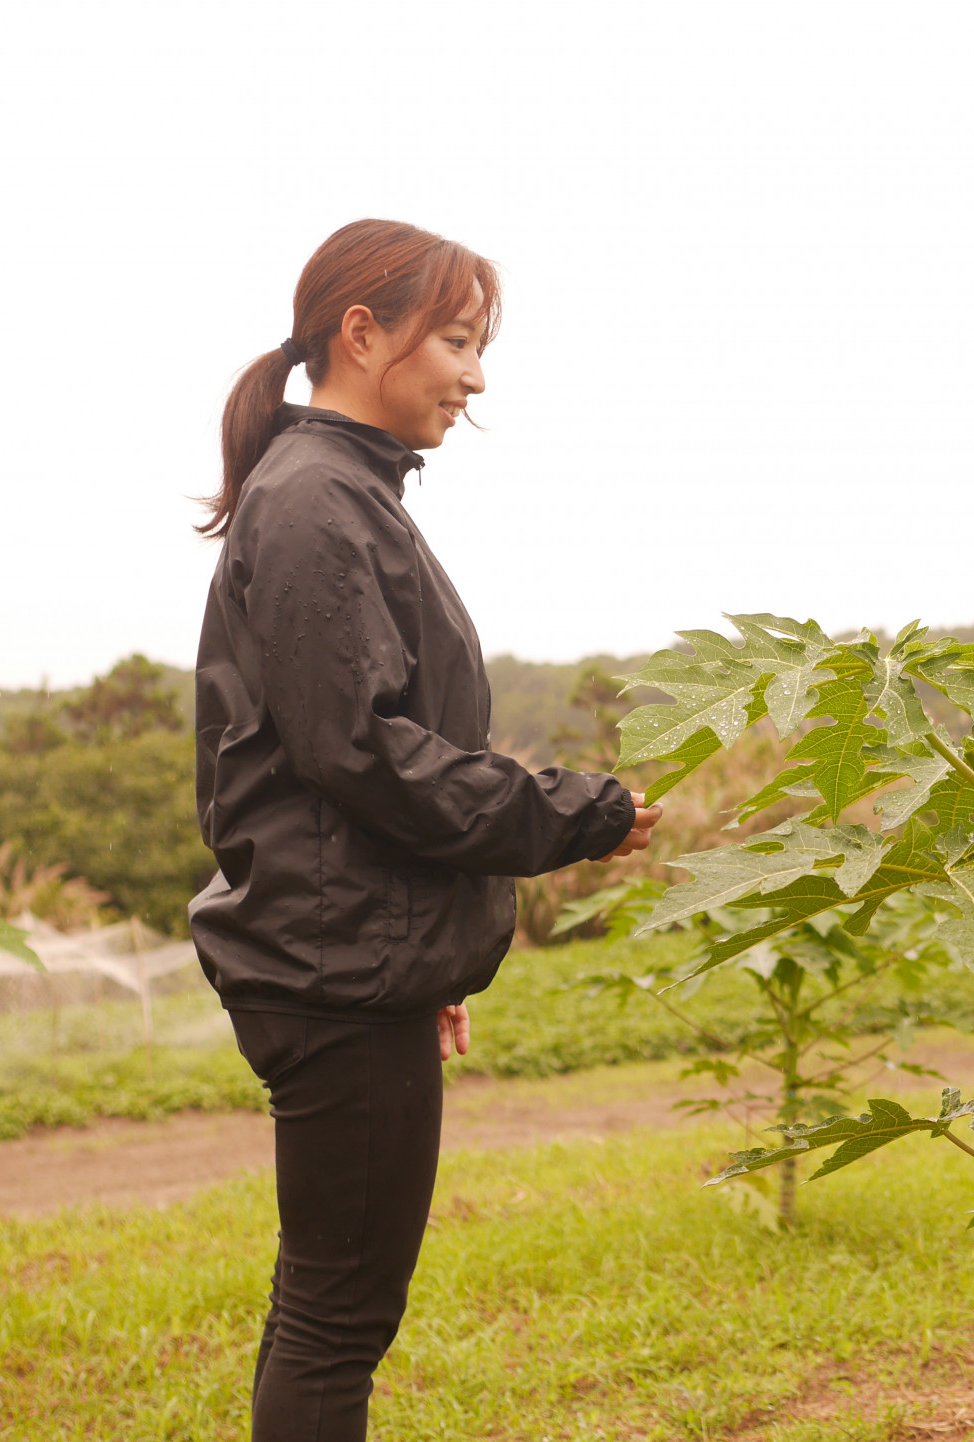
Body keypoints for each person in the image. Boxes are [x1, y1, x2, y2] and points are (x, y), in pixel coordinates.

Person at [189, 218, 660, 1441]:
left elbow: (360, 758)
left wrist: (429, 956)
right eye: (455, 339)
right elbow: (367, 753)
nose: (476, 375)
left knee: (328, 1305)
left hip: (356, 967)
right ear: (363, 333)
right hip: (333, 978)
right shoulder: (314, 503)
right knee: (338, 1319)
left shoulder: (344, 492)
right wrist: (577, 812)